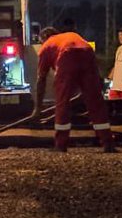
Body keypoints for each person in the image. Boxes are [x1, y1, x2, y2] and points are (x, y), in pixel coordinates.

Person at [30, 20, 116, 153]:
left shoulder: (46, 46)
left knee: (62, 102)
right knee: (95, 101)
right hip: (87, 52)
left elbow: (41, 80)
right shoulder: (71, 36)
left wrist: (38, 108)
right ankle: (108, 143)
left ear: (43, 39)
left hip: (66, 55)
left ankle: (60, 145)